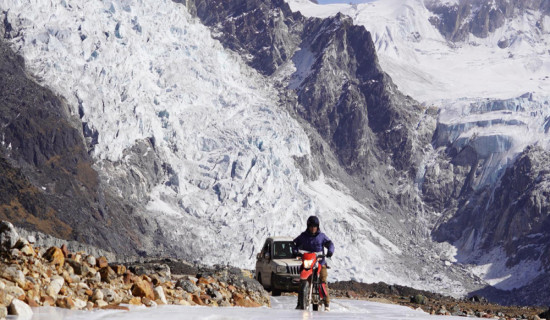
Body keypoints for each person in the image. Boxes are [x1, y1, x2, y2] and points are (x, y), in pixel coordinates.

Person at [293, 215, 334, 311]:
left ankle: (326, 303)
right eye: (311, 226)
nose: (313, 228)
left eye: (315, 226)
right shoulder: (303, 236)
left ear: (317, 227)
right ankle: (300, 302)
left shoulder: (321, 236)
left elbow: (330, 243)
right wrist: (295, 251)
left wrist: (330, 251)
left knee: (323, 280)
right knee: (303, 280)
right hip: (308, 262)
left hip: (320, 261)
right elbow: (294, 243)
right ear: (308, 226)